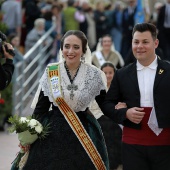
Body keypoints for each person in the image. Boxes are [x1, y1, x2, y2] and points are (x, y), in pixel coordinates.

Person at [13, 30, 109, 170]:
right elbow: (41, 108)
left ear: (83, 50)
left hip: (83, 132)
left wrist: (123, 111)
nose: (71, 51)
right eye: (67, 46)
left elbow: (105, 104)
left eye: (76, 47)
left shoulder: (93, 74)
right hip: (52, 133)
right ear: (61, 49)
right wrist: (29, 134)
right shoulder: (51, 71)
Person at [101, 22, 170, 170]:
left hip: (165, 144)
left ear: (155, 43)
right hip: (132, 143)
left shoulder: (169, 70)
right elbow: (107, 104)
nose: (140, 46)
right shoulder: (121, 74)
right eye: (136, 42)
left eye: (145, 42)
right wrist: (124, 113)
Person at [90, 62, 124, 170]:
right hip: (99, 121)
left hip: (117, 122)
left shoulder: (121, 88)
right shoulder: (95, 89)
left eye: (110, 73)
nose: (108, 75)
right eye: (105, 73)